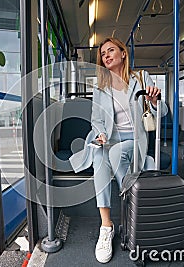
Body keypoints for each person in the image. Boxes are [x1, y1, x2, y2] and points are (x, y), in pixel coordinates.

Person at [69, 37, 168, 263]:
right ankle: (107, 226)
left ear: (123, 53)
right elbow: (96, 120)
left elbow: (162, 114)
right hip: (111, 139)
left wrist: (154, 102)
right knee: (100, 157)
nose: (106, 55)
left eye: (111, 50)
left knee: (112, 155)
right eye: (103, 54)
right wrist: (100, 134)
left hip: (136, 139)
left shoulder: (141, 78)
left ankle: (132, 210)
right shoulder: (100, 88)